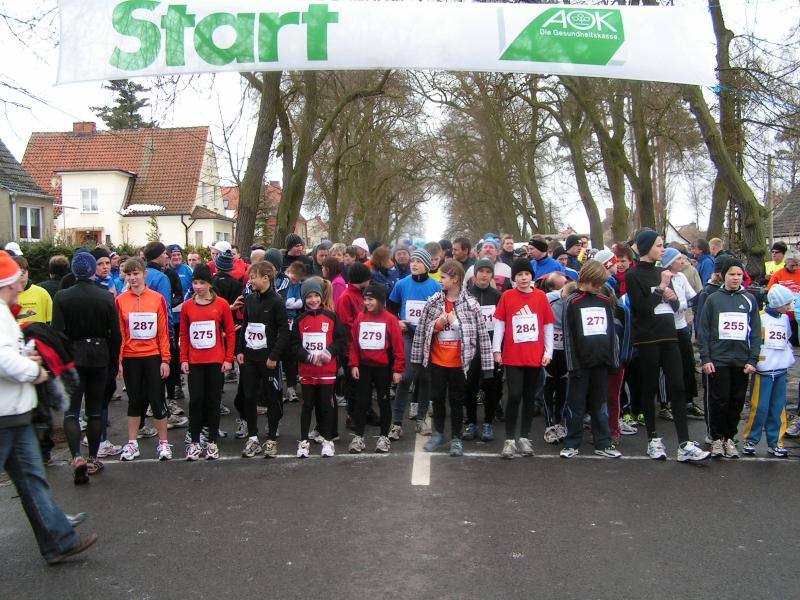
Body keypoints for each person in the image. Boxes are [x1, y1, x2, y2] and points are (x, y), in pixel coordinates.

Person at [0, 250, 98, 564]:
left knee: (33, 480)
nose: (21, 285)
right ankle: (58, 540)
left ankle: (58, 541)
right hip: (5, 416)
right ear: (7, 282)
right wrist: (34, 371)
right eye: (16, 279)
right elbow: (3, 360)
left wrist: (24, 357)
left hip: (15, 414)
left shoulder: (5, 312)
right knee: (32, 479)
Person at [625, 231, 710, 462]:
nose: (663, 250)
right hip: (648, 338)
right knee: (650, 386)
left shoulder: (663, 272)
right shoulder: (634, 275)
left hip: (669, 334)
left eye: (662, 245)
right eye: (658, 245)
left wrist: (672, 298)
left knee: (678, 387)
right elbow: (642, 309)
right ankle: (653, 439)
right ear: (646, 247)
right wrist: (662, 288)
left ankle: (684, 443)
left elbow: (674, 307)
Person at [52, 251, 122, 480]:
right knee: (94, 411)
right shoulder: (106, 296)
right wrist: (114, 362)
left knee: (71, 412)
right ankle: (92, 458)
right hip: (99, 355)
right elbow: (116, 334)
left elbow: (57, 332)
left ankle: (76, 456)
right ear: (93, 270)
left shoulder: (62, 296)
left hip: (73, 355)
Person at [412, 260, 493, 456]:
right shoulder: (433, 302)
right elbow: (422, 330)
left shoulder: (471, 304)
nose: (440, 280)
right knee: (437, 399)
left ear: (455, 279)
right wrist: (437, 325)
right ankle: (439, 433)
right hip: (437, 361)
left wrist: (455, 323)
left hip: (459, 363)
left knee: (456, 400)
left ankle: (456, 437)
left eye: (444, 277)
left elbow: (480, 335)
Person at [698, 259, 761, 459]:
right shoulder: (713, 299)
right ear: (723, 275)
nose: (735, 278)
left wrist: (752, 359)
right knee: (720, 400)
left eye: (739, 275)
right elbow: (704, 331)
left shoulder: (749, 299)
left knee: (736, 401)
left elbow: (755, 332)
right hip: (718, 360)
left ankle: (729, 438)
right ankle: (716, 438)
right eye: (732, 274)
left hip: (741, 360)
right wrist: (706, 358)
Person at [493, 258, 555, 458]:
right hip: (513, 356)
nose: (523, 278)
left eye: (527, 274)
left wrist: (548, 352)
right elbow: (500, 324)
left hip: (534, 356)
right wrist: (496, 350)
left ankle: (524, 437)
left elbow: (547, 325)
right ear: (514, 278)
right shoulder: (507, 296)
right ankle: (510, 439)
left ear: (532, 276)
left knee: (529, 397)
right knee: (514, 395)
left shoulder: (541, 297)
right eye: (519, 275)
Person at [560, 261, 621, 458]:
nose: (598, 287)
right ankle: (572, 442)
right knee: (576, 405)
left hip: (601, 362)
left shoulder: (604, 300)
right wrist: (573, 365)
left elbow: (611, 333)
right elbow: (568, 335)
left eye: (601, 283)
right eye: (595, 283)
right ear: (586, 279)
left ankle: (603, 442)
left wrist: (613, 361)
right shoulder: (572, 302)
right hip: (580, 364)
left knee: (600, 405)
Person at [115, 258, 173, 461]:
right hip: (131, 357)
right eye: (129, 274)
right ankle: (132, 443)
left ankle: (163, 443)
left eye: (136, 274)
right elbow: (120, 333)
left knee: (157, 400)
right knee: (135, 401)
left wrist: (165, 359)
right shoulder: (120, 300)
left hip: (153, 356)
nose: (132, 278)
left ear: (144, 274)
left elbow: (163, 332)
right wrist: (119, 361)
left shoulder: (157, 299)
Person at [180, 265, 235, 460]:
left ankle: (212, 442)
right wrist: (183, 359)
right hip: (195, 361)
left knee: (213, 401)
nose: (198, 287)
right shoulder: (187, 306)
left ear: (210, 284)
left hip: (215, 361)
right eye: (195, 283)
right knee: (195, 401)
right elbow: (183, 334)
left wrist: (228, 359)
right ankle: (195, 442)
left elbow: (230, 332)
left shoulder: (221, 304)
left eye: (202, 283)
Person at [236, 261, 289, 458]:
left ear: (266, 278)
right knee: (249, 397)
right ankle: (253, 438)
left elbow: (284, 331)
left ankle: (272, 439)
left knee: (272, 398)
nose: (250, 281)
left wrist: (274, 355)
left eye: (253, 277)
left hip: (268, 359)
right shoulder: (250, 299)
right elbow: (245, 326)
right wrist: (240, 350)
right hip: (250, 357)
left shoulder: (277, 301)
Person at [388, 249, 442, 437]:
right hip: (408, 335)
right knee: (406, 377)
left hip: (428, 336)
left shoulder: (435, 286)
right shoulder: (402, 284)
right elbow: (390, 309)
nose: (414, 264)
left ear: (426, 265)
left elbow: (442, 311)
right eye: (412, 261)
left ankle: (421, 419)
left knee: (426, 378)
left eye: (418, 261)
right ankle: (396, 423)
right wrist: (397, 321)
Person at [292, 279, 348, 458]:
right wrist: (308, 357)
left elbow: (341, 341)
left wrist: (329, 353)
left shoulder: (331, 317)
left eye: (316, 296)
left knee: (326, 405)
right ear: (304, 299)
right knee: (307, 406)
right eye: (309, 297)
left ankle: (328, 440)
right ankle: (303, 442)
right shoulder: (300, 320)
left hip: (327, 372)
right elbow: (294, 346)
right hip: (307, 371)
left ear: (321, 297)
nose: (313, 300)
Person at [348, 284, 405, 453]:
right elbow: (354, 343)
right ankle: (358, 437)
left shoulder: (390, 319)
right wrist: (354, 364)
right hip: (364, 367)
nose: (367, 302)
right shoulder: (361, 317)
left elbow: (398, 346)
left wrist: (398, 369)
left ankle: (383, 437)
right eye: (365, 299)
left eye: (370, 299)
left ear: (380, 300)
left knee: (383, 401)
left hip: (383, 368)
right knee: (361, 402)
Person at [740, 284, 792, 457]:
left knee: (778, 407)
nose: (789, 306)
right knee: (759, 407)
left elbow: (787, 337)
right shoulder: (760, 318)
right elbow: (752, 339)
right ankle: (750, 440)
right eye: (786, 303)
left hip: (780, 369)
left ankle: (775, 442)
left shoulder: (785, 319)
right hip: (764, 371)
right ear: (777, 303)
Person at [661, 248, 705, 420]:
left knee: (688, 363)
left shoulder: (681, 277)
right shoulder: (662, 278)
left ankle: (688, 401)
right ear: (670, 262)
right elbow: (673, 305)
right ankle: (666, 404)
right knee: (668, 367)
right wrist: (683, 304)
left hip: (682, 325)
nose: (683, 262)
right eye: (679, 259)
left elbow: (692, 297)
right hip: (666, 328)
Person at [464, 258, 504, 442]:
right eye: (481, 271)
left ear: (492, 275)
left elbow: (502, 325)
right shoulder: (466, 295)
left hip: (491, 349)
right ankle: (472, 423)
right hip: (471, 350)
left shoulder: (498, 296)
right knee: (470, 387)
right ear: (475, 274)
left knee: (491, 387)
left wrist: (499, 349)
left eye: (488, 272)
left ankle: (488, 423)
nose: (484, 275)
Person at [280, 261, 307, 402]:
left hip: (292, 323)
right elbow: (283, 302)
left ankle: (291, 388)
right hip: (279, 322)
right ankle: (278, 389)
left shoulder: (298, 285)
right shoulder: (281, 281)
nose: (294, 282)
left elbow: (299, 302)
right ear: (288, 271)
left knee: (290, 357)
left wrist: (292, 303)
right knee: (278, 356)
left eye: (297, 280)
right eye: (294, 279)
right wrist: (292, 303)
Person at [13, 256, 52, 324]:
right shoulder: (5, 295)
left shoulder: (42, 293)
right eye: (16, 273)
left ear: (28, 272)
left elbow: (51, 321)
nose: (20, 276)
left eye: (23, 272)